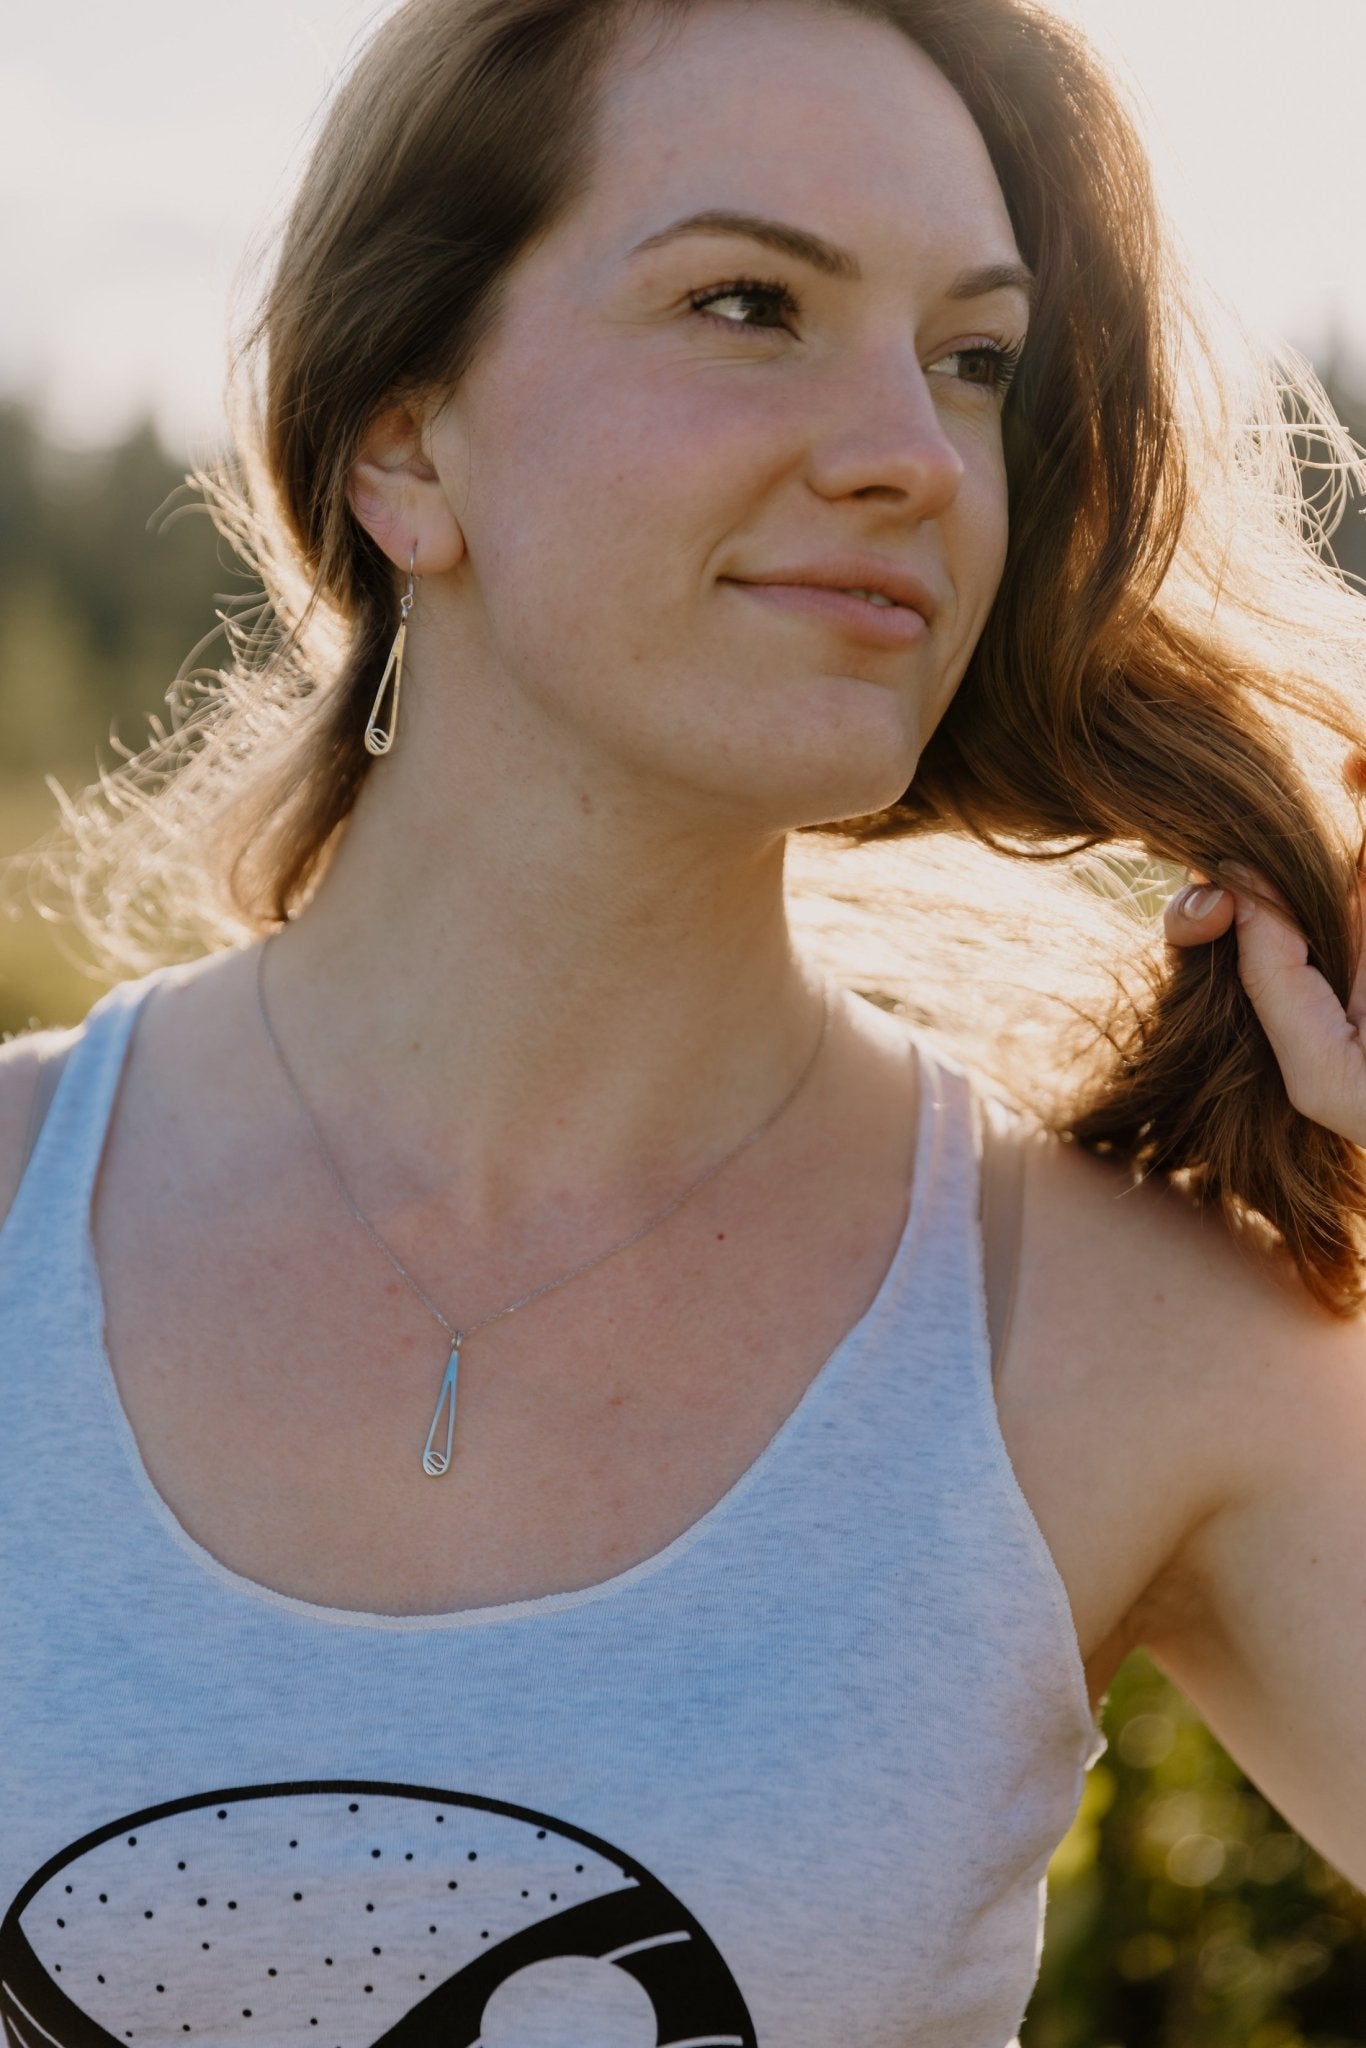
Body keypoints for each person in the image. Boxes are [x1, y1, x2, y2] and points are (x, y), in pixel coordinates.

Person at [2, 0, 1365, 2040]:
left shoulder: (1107, 1344)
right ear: (400, 438)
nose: (909, 453)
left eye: (971, 360)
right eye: (747, 303)